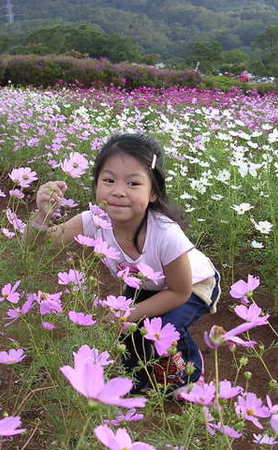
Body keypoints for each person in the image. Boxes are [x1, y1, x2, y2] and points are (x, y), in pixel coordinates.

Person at [31, 133, 220, 394]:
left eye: (133, 183)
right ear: (96, 185)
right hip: (146, 283)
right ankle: (135, 380)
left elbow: (179, 292)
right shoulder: (93, 220)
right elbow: (37, 247)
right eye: (108, 180)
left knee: (162, 330)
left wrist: (129, 313)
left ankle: (189, 373)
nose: (118, 191)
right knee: (128, 331)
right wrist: (43, 213)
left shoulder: (166, 233)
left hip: (193, 284)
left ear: (153, 192)